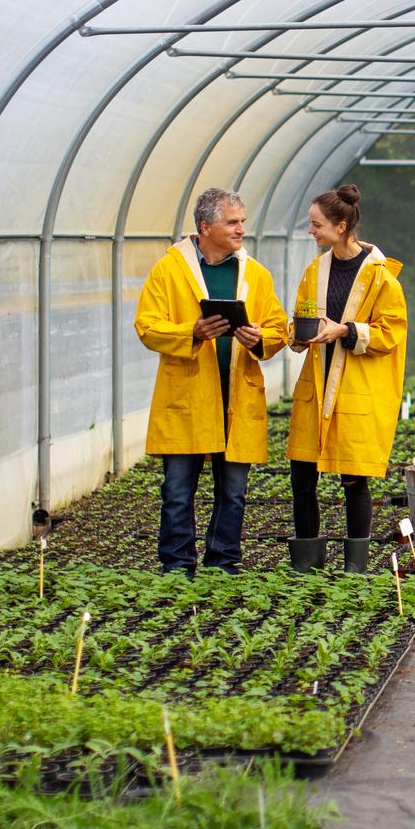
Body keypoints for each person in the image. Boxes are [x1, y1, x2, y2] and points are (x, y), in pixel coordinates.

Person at [135, 187, 288, 575]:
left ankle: (223, 561)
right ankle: (176, 565)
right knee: (177, 490)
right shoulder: (169, 270)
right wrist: (194, 332)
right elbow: (148, 327)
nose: (240, 230)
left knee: (233, 492)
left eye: (242, 222)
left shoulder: (254, 274)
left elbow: (278, 328)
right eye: (232, 222)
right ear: (205, 226)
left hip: (236, 395)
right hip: (188, 396)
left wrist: (260, 339)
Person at [286, 185, 408, 572]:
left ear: (341, 226)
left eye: (317, 225)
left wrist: (345, 331)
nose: (312, 231)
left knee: (354, 478)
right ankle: (307, 564)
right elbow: (302, 314)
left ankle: (355, 566)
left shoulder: (380, 276)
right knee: (302, 475)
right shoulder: (315, 269)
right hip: (316, 384)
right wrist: (298, 335)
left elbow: (391, 332)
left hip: (355, 388)